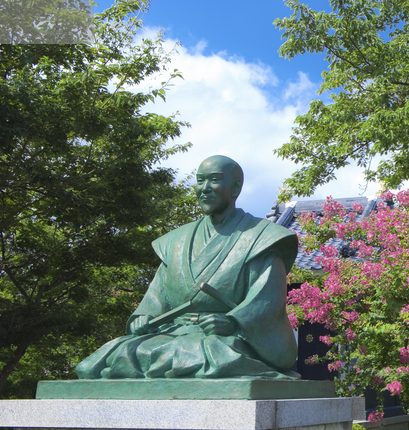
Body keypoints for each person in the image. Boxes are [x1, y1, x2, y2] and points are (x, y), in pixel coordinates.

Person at [76, 155, 300, 379]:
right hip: (171, 334)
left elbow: (267, 302)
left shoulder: (260, 239)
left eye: (214, 180)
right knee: (115, 355)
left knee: (209, 358)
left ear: (235, 187)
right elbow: (156, 297)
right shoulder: (176, 242)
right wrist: (143, 318)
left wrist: (233, 321)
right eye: (200, 180)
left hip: (224, 340)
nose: (205, 188)